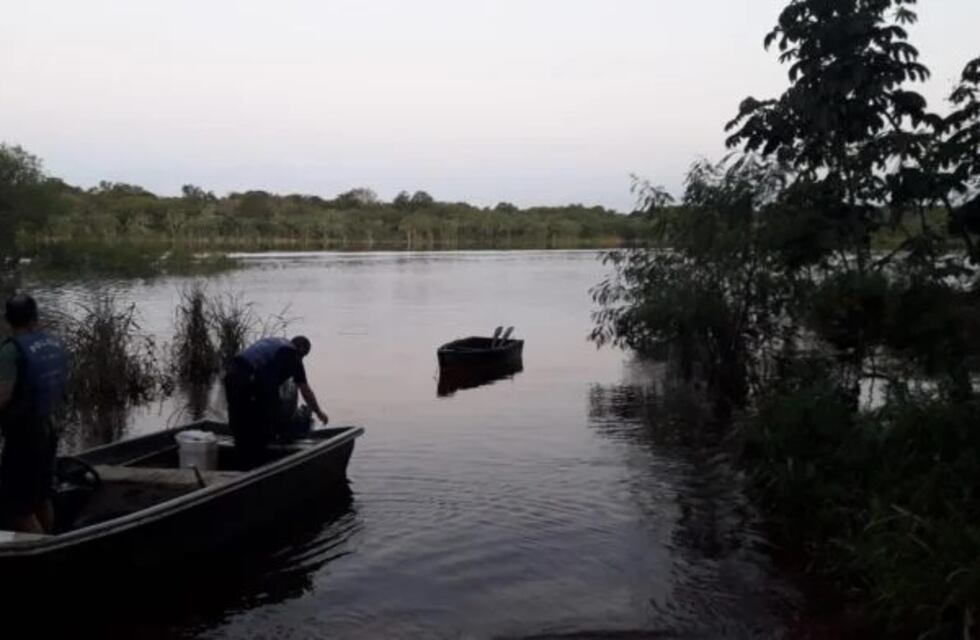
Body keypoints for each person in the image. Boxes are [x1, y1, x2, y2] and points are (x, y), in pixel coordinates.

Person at [0, 294, 68, 534]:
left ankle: (41, 555)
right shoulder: (53, 343)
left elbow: (3, 396)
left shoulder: (11, 350)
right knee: (40, 496)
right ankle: (51, 541)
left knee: (15, 508)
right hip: (48, 429)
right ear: (35, 317)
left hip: (23, 437)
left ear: (8, 320)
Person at [223, 335, 328, 465]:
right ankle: (257, 465)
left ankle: (238, 462)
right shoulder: (292, 354)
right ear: (301, 349)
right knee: (264, 423)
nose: (301, 360)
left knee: (240, 422)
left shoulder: (276, 342)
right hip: (251, 376)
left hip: (232, 372)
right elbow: (305, 389)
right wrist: (318, 412)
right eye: (303, 356)